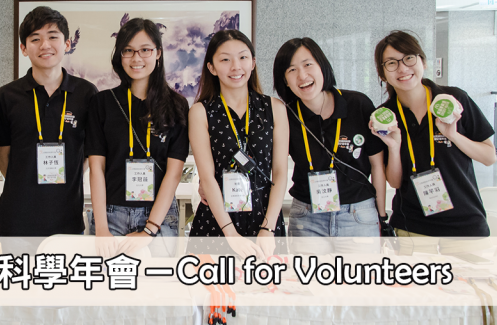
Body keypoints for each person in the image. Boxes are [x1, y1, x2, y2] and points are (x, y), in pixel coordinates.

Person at [371, 30, 496, 254]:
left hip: (465, 225)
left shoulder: (452, 101)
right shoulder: (385, 117)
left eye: (409, 58)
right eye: (391, 63)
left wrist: (453, 135)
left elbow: (489, 157)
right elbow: (396, 182)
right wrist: (394, 147)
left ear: (423, 62)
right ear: (382, 73)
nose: (402, 68)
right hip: (413, 228)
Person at [272, 38, 386, 254]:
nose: (302, 75)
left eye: (308, 64)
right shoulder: (285, 115)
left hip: (358, 215)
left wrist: (381, 217)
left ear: (322, 66)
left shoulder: (357, 104)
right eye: (292, 70)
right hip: (307, 218)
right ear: (285, 80)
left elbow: (377, 165)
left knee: (360, 277)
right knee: (309, 277)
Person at [86, 18, 189, 257]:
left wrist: (150, 229)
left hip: (159, 218)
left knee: (157, 281)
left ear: (158, 53)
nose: (136, 58)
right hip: (111, 215)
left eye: (145, 50)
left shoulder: (176, 105)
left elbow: (174, 173)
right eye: (128, 50)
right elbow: (96, 168)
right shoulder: (102, 103)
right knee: (109, 281)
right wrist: (101, 228)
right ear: (120, 55)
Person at [0, 6, 98, 240]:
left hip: (67, 219)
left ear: (67, 44)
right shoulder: (6, 96)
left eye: (53, 37)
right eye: (35, 39)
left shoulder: (86, 93)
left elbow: (88, 154)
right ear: (23, 48)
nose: (45, 45)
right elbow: (3, 156)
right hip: (17, 221)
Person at [188, 30, 289, 258]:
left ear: (253, 63)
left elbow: (280, 172)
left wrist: (268, 228)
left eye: (243, 57)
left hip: (265, 220)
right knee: (214, 281)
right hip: (217, 220)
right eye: (225, 59)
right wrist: (231, 234)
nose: (236, 66)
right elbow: (207, 177)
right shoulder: (200, 112)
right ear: (212, 67)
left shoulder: (274, 108)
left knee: (268, 281)